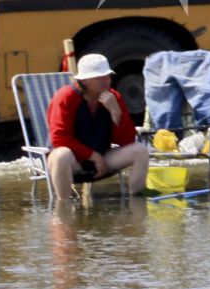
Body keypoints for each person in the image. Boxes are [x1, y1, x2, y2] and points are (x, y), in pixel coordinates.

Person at [46, 53, 147, 202]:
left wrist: (116, 113)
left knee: (140, 150)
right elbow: (59, 139)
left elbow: (127, 141)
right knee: (61, 155)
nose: (106, 81)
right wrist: (93, 156)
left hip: (104, 155)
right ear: (84, 80)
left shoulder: (114, 97)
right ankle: (63, 208)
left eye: (107, 76)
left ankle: (137, 202)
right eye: (100, 77)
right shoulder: (65, 97)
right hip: (73, 161)